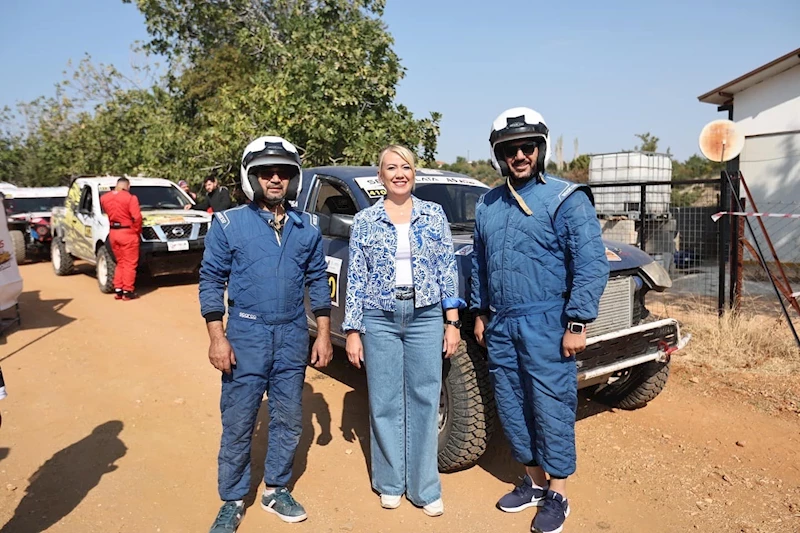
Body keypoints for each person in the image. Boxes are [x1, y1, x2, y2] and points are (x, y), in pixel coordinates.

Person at [471, 108, 609, 533]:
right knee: (513, 405)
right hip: (502, 324)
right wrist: (480, 311)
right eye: (510, 150)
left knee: (551, 406)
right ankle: (532, 484)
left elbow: (590, 264)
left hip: (548, 322)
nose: (520, 155)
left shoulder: (567, 199)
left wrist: (578, 322)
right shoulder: (488, 204)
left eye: (527, 147)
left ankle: (558, 493)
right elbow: (480, 263)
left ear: (541, 149)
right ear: (499, 155)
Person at [199, 135, 333, 533]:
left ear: (294, 178)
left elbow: (318, 283)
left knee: (289, 419)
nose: (275, 179)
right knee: (239, 421)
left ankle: (276, 489)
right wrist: (217, 337)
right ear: (251, 176)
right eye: (265, 172)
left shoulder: (307, 226)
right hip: (246, 334)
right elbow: (210, 280)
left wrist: (323, 335)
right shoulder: (228, 223)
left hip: (292, 333)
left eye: (283, 173)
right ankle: (233, 498)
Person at [343, 145, 464, 517]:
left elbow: (447, 269)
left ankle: (426, 488)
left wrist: (452, 321)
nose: (399, 173)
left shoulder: (433, 214)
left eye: (406, 167)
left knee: (426, 398)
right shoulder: (364, 221)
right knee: (384, 401)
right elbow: (356, 279)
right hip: (379, 317)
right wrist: (352, 330)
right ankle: (391, 482)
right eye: (391, 168)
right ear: (380, 176)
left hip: (425, 315)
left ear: (415, 173)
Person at [100, 177, 142, 300]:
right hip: (128, 232)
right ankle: (127, 291)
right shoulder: (130, 198)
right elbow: (137, 217)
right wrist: (137, 230)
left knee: (120, 262)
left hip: (113, 232)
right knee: (129, 263)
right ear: (127, 186)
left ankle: (118, 289)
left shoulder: (104, 198)